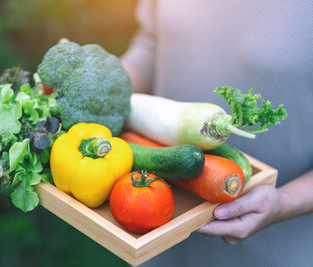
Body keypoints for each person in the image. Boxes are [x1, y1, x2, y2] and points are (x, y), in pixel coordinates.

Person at [121, 1, 313, 266]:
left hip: (275, 249)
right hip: (157, 223)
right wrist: (104, 93)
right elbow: (153, 43)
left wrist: (284, 202)